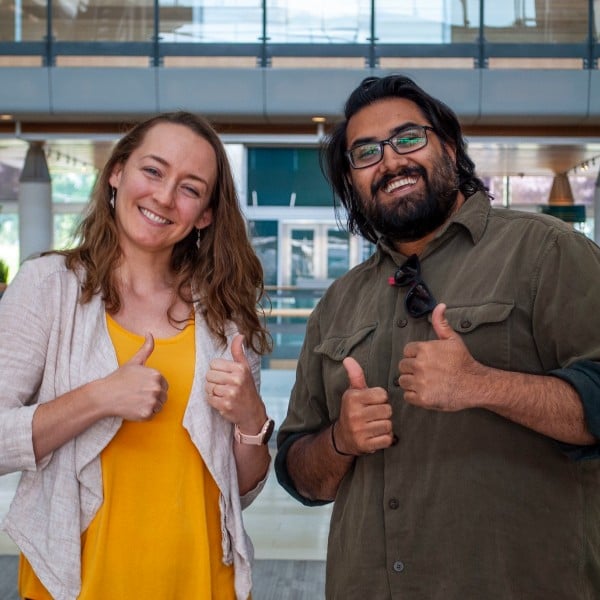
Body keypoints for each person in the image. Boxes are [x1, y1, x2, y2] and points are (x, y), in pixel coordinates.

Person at [275, 74, 600, 599]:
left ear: (447, 145)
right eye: (366, 153)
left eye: (408, 138)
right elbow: (299, 474)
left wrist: (482, 385)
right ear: (351, 182)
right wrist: (340, 440)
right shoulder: (338, 303)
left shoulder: (546, 252)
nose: (390, 161)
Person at [0, 111, 275, 600]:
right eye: (153, 171)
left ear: (206, 214)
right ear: (117, 172)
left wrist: (252, 421)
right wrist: (99, 398)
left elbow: (241, 491)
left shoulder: (226, 315)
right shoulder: (47, 288)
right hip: (78, 584)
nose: (165, 197)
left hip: (204, 582)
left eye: (190, 188)